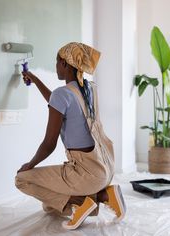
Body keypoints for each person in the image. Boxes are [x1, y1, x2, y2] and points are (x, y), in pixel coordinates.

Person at [15, 42, 126, 230]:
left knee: (22, 179)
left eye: (57, 62)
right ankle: (104, 193)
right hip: (105, 166)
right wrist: (34, 79)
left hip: (85, 173)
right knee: (50, 206)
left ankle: (88, 201)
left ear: (65, 64)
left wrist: (30, 165)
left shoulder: (62, 94)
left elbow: (49, 144)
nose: (55, 66)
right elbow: (57, 101)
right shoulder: (89, 88)